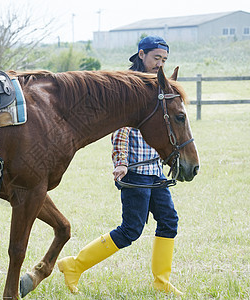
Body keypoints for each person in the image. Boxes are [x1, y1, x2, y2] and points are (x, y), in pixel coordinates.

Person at [57, 35, 183, 296]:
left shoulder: (158, 85)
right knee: (130, 230)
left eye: (164, 60)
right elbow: (120, 129)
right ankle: (74, 265)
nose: (160, 64)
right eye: (156, 58)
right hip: (136, 171)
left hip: (154, 171)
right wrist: (121, 162)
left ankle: (161, 281)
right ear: (141, 54)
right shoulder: (130, 85)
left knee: (169, 220)